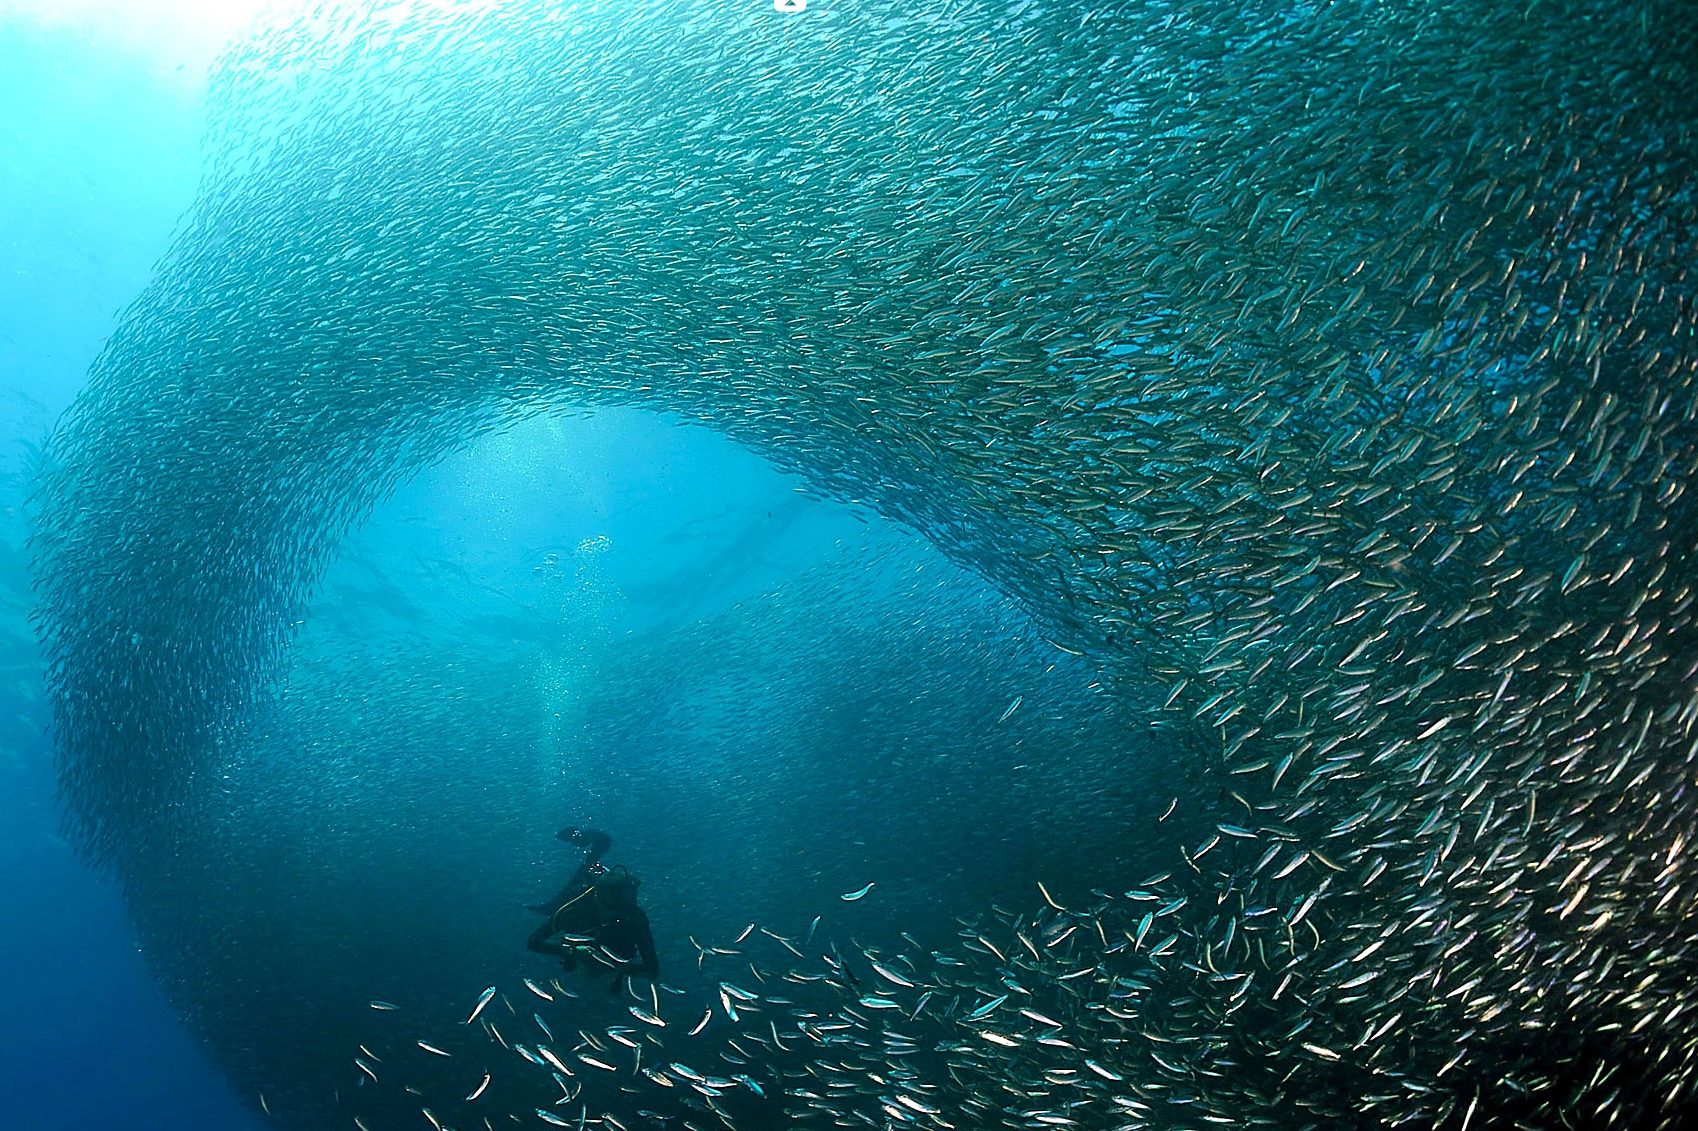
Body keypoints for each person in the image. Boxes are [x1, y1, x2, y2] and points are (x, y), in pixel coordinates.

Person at [527, 827, 659, 991]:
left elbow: (652, 971)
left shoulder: (632, 916)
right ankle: (589, 841)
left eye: (619, 907)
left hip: (615, 958)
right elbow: (533, 942)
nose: (615, 913)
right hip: (588, 943)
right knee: (585, 872)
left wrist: (614, 966)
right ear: (596, 898)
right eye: (611, 907)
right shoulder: (576, 910)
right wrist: (569, 952)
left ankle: (593, 842)